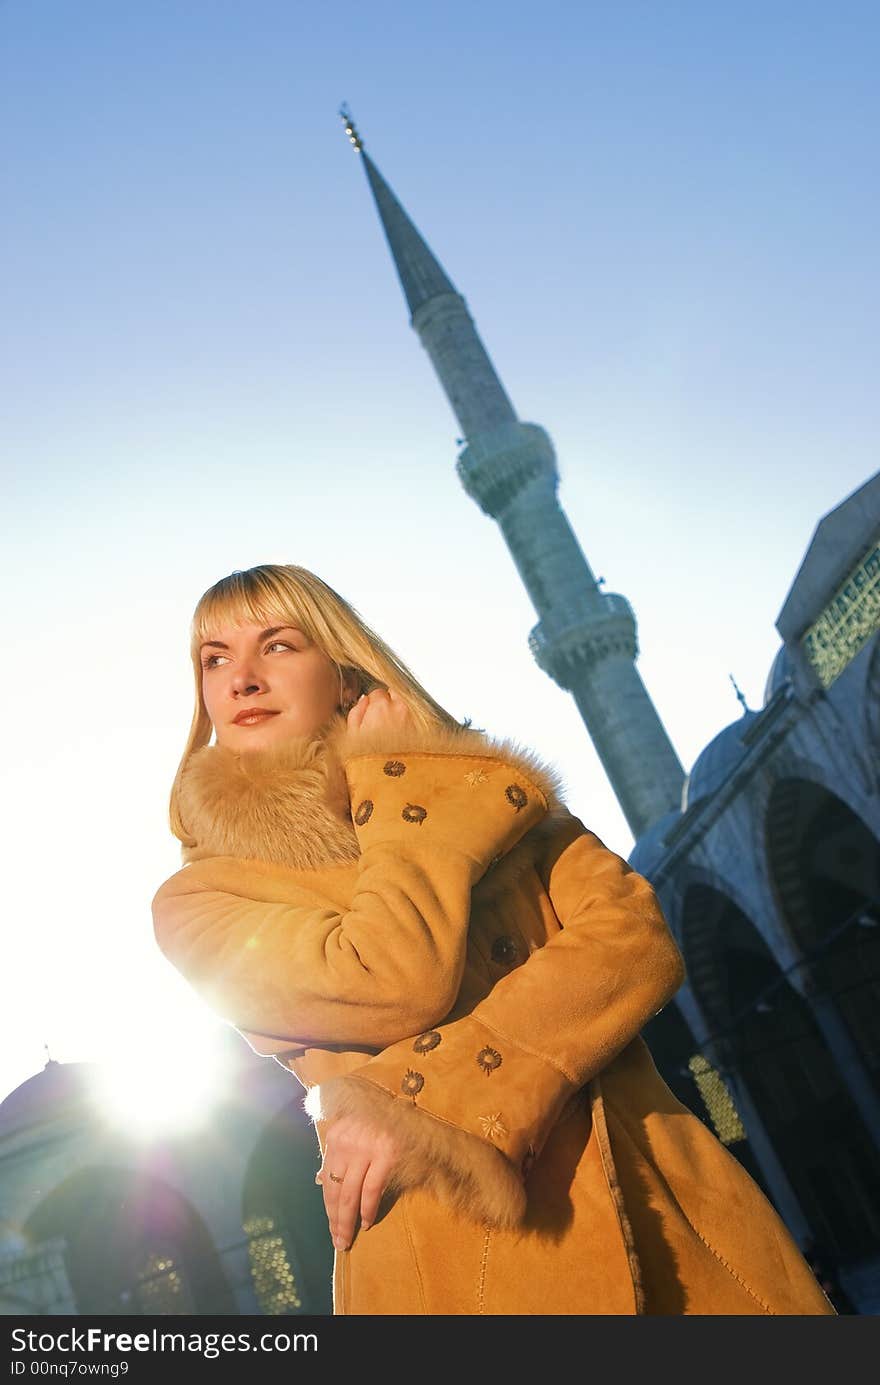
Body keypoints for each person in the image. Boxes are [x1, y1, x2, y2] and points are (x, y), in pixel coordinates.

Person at [152, 562, 836, 1316]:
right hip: (452, 1262)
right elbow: (394, 977)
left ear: (345, 674)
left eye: (276, 645)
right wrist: (400, 787)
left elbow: (635, 938)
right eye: (214, 659)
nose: (241, 678)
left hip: (665, 1220)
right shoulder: (202, 900)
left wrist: (413, 1101)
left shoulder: (497, 799)